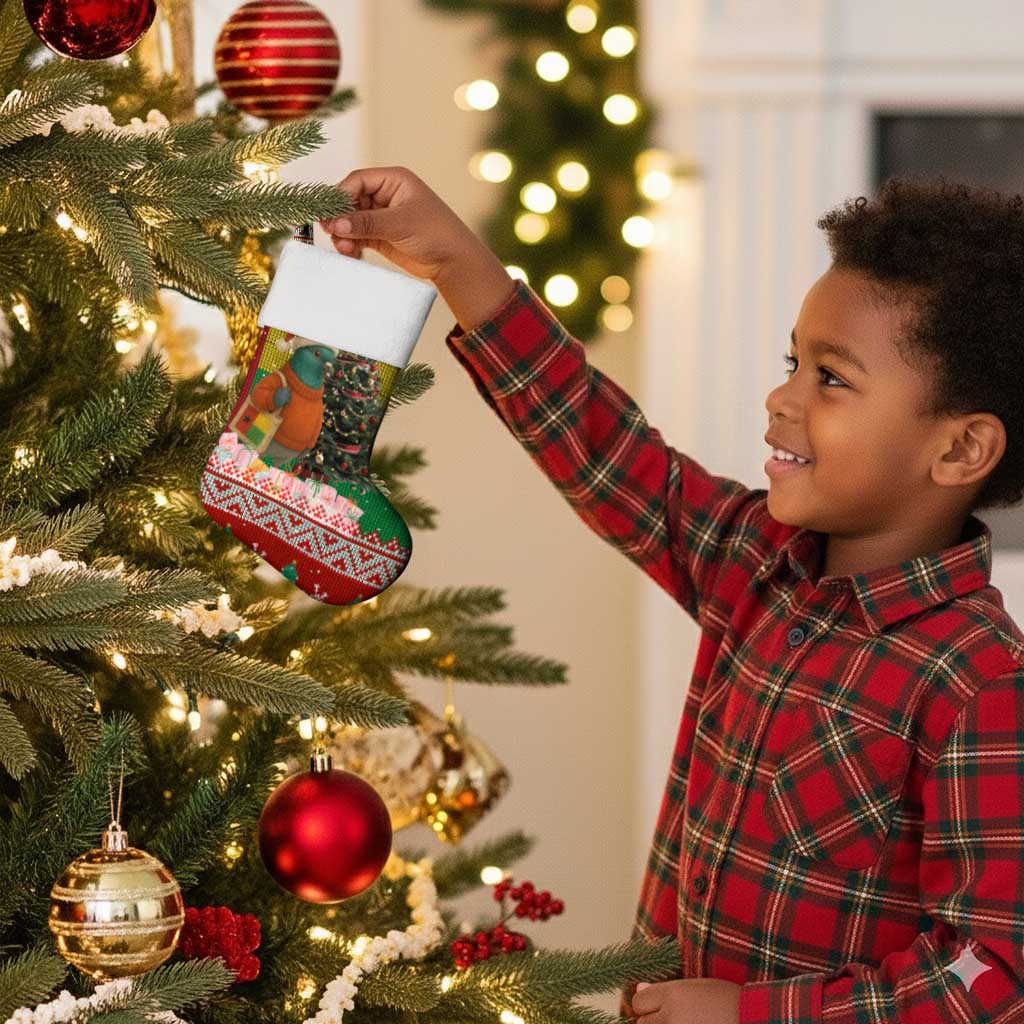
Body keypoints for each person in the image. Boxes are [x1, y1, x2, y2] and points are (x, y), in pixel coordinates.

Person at [321, 168, 1024, 1024]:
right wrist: (458, 264)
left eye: (832, 379)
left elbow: (990, 980)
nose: (782, 397)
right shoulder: (756, 564)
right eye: (793, 363)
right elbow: (606, 451)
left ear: (960, 450)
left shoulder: (981, 683)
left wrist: (750, 1016)